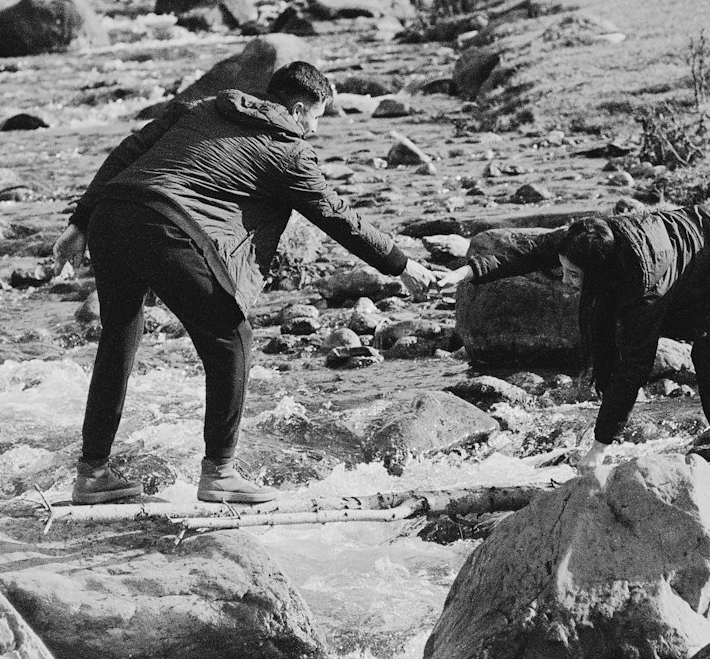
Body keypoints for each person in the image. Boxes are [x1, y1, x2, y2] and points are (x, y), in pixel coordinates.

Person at [53, 61, 436, 506]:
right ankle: (220, 475)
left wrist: (79, 222)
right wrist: (400, 263)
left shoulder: (203, 107)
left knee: (119, 336)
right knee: (231, 338)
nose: (313, 130)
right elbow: (336, 217)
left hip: (113, 214)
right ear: (297, 109)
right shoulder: (287, 150)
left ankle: (92, 473)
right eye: (315, 119)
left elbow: (128, 150)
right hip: (166, 227)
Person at [441, 201, 710, 501]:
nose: (566, 282)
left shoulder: (643, 283)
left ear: (601, 274)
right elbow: (535, 250)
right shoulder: (588, 237)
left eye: (575, 277)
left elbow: (632, 368)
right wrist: (471, 271)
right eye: (565, 271)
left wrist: (600, 445)